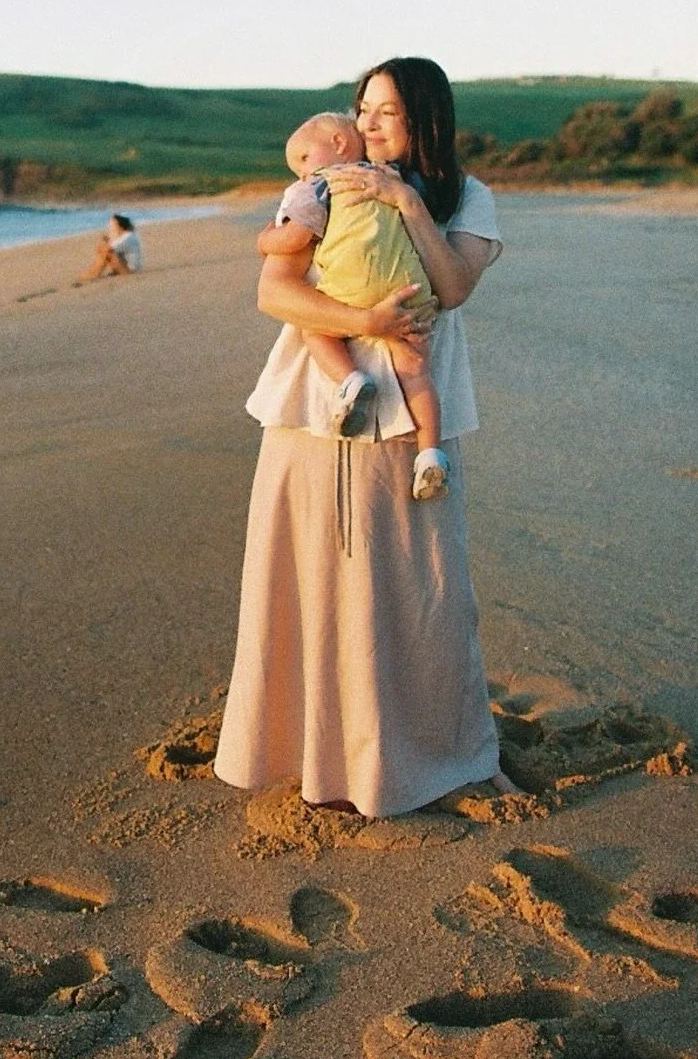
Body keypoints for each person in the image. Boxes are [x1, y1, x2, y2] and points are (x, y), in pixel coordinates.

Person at [214, 56, 519, 817]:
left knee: (422, 584)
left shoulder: (466, 196)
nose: (369, 123)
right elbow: (274, 289)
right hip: (314, 403)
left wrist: (405, 203)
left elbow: (454, 287)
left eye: (387, 111)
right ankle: (311, 755)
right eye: (362, 108)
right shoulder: (324, 183)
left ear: (426, 118)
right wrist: (366, 322)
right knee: (313, 574)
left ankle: (447, 755)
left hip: (414, 414)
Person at [256, 110, 449, 498]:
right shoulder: (392, 176)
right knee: (415, 370)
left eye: (303, 160)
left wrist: (263, 240)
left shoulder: (319, 185)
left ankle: (351, 379)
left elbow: (295, 239)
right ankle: (431, 454)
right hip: (407, 287)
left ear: (338, 144)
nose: (302, 173)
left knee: (314, 328)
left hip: (354, 286)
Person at [75, 212, 141, 283]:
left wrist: (107, 240)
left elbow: (109, 248)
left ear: (120, 226)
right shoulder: (125, 235)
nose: (110, 227)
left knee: (106, 250)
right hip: (126, 266)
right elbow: (113, 247)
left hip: (129, 271)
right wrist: (108, 240)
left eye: (113, 225)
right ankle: (93, 272)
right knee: (104, 248)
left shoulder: (127, 236)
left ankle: (94, 272)